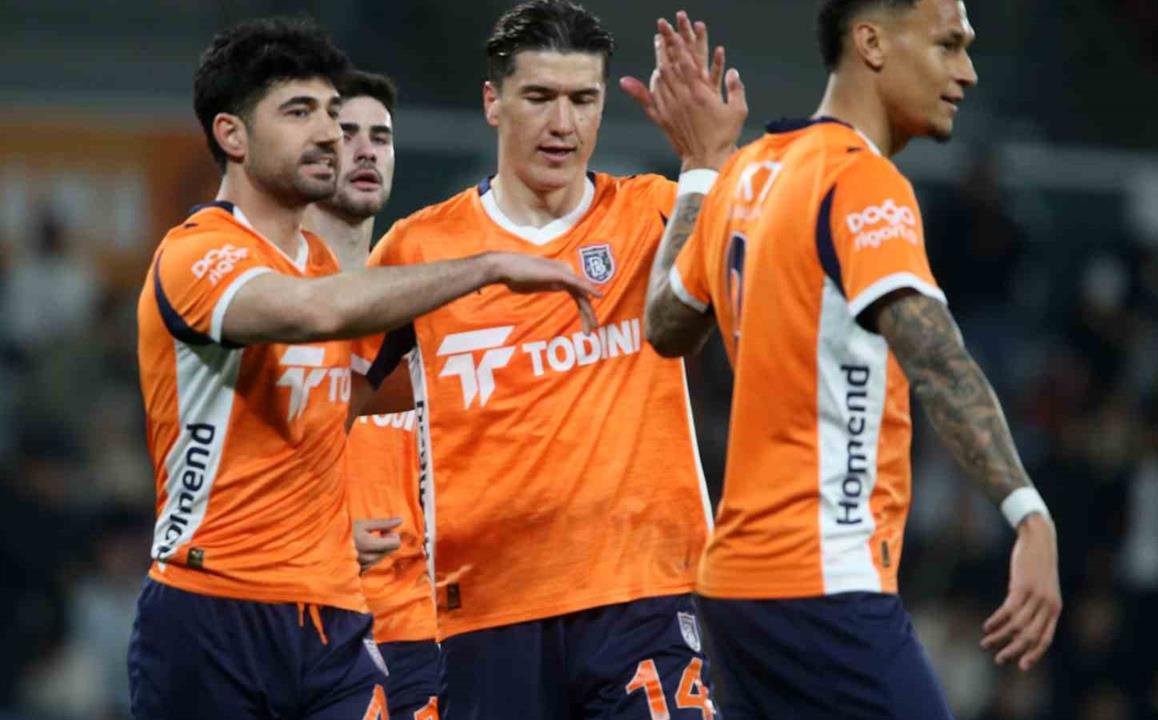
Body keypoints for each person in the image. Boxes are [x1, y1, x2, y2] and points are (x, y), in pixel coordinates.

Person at [129, 17, 599, 720]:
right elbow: (310, 313)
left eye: (330, 112)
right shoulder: (196, 255)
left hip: (335, 618)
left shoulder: (320, 263)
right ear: (232, 135)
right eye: (299, 113)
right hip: (213, 605)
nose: (328, 134)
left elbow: (353, 408)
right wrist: (488, 266)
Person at [639, 1, 1062, 718]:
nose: (967, 71)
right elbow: (938, 360)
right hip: (823, 582)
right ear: (871, 43)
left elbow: (664, 322)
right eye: (948, 45)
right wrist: (1029, 514)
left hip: (735, 591)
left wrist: (700, 171)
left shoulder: (748, 173)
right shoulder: (860, 181)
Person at [352, 2, 745, 717]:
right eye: (539, 97)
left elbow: (733, 281)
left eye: (582, 100)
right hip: (485, 611)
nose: (563, 124)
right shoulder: (421, 248)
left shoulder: (655, 213)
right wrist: (324, 525)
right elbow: (326, 399)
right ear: (492, 102)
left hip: (647, 594)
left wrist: (708, 162)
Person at [304, 70, 444, 720]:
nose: (366, 150)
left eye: (380, 137)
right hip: (306, 621)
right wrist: (325, 538)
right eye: (347, 134)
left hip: (420, 630)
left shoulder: (425, 305)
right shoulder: (269, 301)